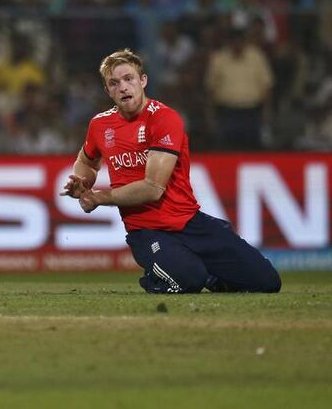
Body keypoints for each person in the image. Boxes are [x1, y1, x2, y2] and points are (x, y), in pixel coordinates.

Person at [60, 49, 281, 294]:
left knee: (267, 282)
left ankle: (205, 274)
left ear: (143, 81)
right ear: (107, 91)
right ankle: (163, 277)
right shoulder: (100, 124)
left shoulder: (164, 119)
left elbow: (153, 188)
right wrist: (83, 182)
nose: (123, 87)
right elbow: (87, 161)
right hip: (146, 231)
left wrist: (99, 198)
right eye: (114, 83)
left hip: (190, 222)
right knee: (189, 281)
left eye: (128, 79)